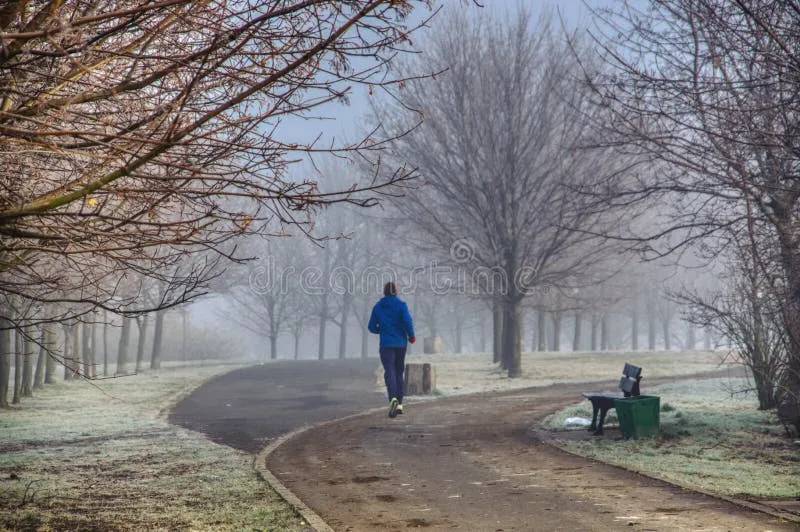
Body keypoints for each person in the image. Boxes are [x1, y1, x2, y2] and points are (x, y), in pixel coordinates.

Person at [368, 282, 415, 418]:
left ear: (384, 292)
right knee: (399, 372)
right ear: (396, 291)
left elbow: (371, 327)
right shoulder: (402, 305)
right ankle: (399, 404)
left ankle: (392, 399)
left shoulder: (378, 307)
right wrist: (411, 336)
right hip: (400, 343)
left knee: (390, 372)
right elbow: (407, 321)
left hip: (386, 345)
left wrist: (382, 330)